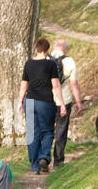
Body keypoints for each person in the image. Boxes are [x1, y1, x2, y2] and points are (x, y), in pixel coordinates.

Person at [18, 37, 67, 173]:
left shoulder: (28, 64)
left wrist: (20, 101)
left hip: (30, 101)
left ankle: (34, 166)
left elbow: (24, 85)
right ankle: (44, 158)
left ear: (36, 49)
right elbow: (56, 85)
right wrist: (62, 104)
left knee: (32, 133)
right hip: (46, 102)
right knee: (47, 131)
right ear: (47, 50)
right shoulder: (50, 65)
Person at [49, 38, 83, 166]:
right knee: (61, 130)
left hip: (47, 100)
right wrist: (78, 102)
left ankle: (43, 159)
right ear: (65, 49)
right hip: (65, 100)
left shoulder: (45, 59)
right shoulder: (69, 61)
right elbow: (73, 84)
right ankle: (58, 161)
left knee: (46, 130)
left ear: (54, 47)